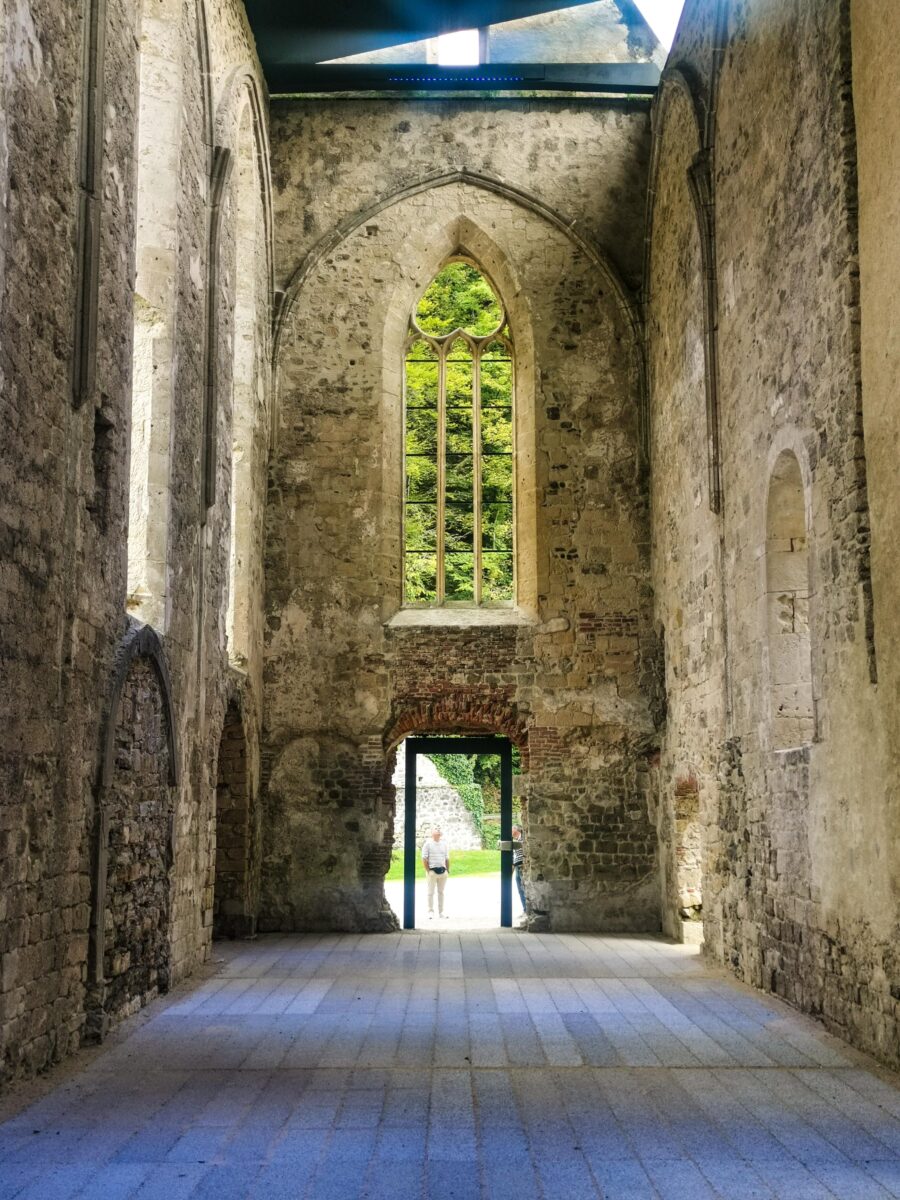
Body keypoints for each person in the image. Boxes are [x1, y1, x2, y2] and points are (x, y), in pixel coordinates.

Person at [422, 827, 450, 919]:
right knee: (430, 892)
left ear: (440, 835)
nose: (437, 833)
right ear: (432, 834)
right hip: (432, 871)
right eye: (435, 832)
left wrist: (447, 870)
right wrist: (428, 871)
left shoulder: (444, 844)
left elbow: (447, 858)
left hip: (443, 871)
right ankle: (430, 911)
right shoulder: (428, 844)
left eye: (438, 832)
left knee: (441, 892)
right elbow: (424, 858)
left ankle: (441, 912)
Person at [512, 823, 527, 917]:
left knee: (523, 889)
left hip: (521, 867)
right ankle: (525, 910)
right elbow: (516, 856)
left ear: (516, 830)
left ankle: (527, 910)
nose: (510, 831)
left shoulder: (522, 839)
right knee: (520, 890)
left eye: (511, 829)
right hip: (518, 867)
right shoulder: (517, 840)